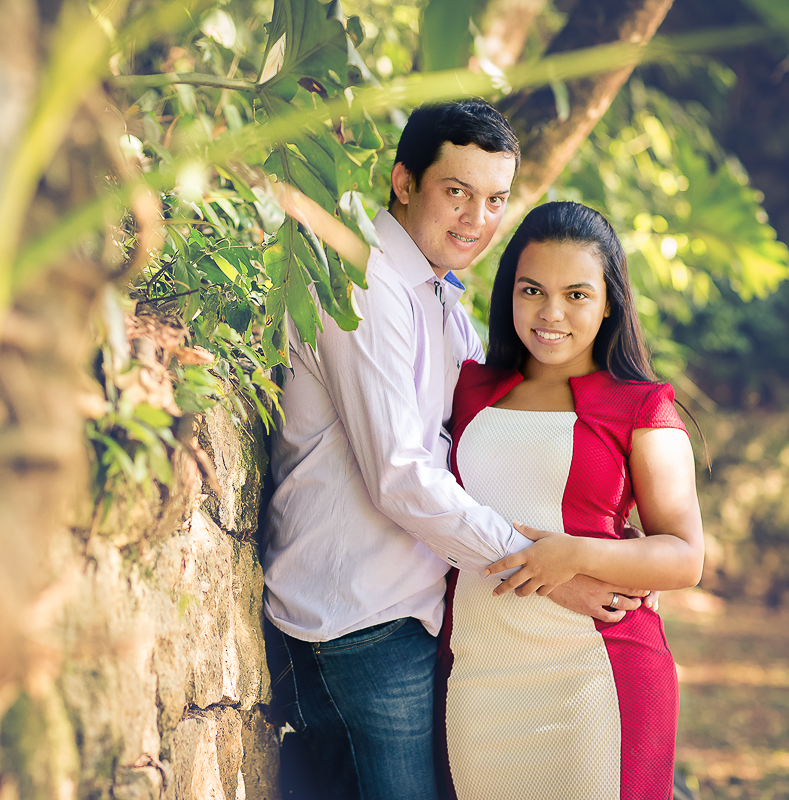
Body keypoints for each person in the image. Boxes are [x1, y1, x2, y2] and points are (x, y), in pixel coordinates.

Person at [262, 99, 650, 800]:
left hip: (422, 614)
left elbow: (494, 439)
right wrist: (554, 574)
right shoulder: (366, 280)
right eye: (457, 192)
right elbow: (400, 474)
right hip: (359, 618)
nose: (477, 218)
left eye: (494, 199)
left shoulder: (443, 302)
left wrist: (600, 541)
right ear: (405, 182)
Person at [435, 201, 705, 799]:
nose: (551, 313)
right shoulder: (468, 388)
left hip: (600, 674)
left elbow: (685, 557)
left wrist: (574, 555)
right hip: (481, 681)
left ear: (609, 301)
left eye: (577, 294)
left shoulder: (643, 407)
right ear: (508, 293)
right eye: (532, 290)